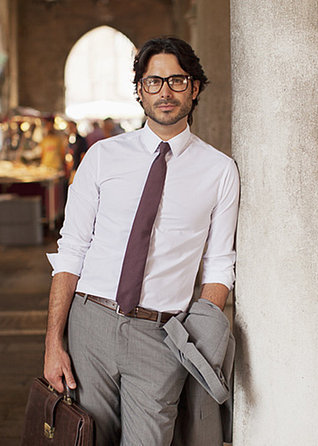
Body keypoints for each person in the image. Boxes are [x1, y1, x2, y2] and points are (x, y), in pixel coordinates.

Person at [44, 37, 240, 445]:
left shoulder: (219, 171)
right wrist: (53, 342)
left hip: (162, 336)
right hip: (90, 326)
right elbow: (72, 250)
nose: (165, 92)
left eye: (176, 80)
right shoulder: (102, 157)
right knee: (86, 438)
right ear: (139, 90)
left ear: (195, 87)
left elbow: (220, 264)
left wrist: (196, 341)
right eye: (153, 82)